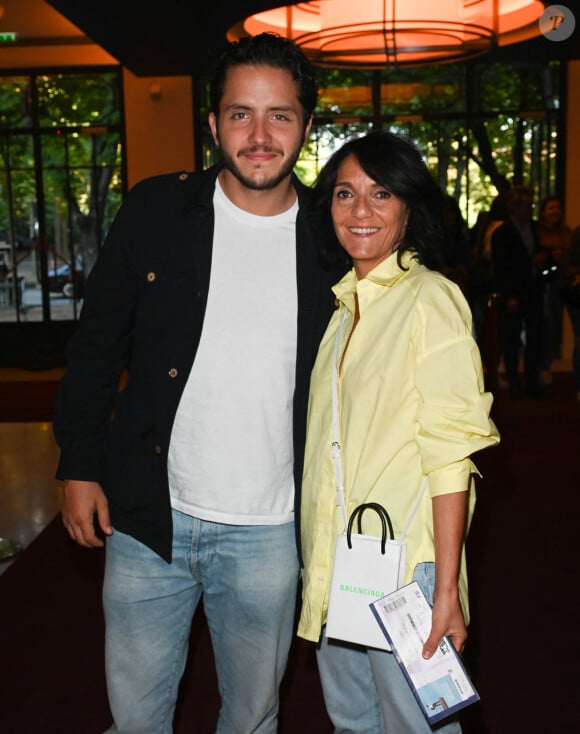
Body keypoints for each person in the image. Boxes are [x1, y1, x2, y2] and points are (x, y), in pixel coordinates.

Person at [53, 33, 345, 734]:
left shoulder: (334, 237)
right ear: (213, 125)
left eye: (280, 115)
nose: (260, 134)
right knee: (135, 720)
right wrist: (80, 466)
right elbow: (96, 347)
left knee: (251, 719)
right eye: (240, 114)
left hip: (273, 531)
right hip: (150, 517)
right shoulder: (156, 212)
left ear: (306, 126)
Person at [297, 132, 500, 734]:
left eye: (380, 193)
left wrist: (444, 587)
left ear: (409, 207)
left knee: (419, 727)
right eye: (344, 193)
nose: (360, 211)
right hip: (340, 559)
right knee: (353, 722)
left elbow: (450, 451)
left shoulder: (429, 299)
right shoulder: (341, 311)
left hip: (405, 571)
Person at [491, 185, 549, 399]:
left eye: (530, 205)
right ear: (514, 207)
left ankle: (532, 384)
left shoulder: (534, 228)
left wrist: (543, 260)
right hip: (514, 293)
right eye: (525, 205)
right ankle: (515, 384)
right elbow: (501, 268)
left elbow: (543, 253)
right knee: (511, 341)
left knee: (535, 338)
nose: (529, 210)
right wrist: (509, 296)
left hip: (533, 290)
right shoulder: (502, 233)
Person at [537, 196, 571, 383]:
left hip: (560, 285)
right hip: (543, 285)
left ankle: (545, 365)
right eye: (551, 208)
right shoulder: (537, 231)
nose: (555, 211)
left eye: (557, 207)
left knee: (554, 326)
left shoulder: (566, 232)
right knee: (544, 326)